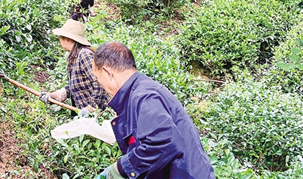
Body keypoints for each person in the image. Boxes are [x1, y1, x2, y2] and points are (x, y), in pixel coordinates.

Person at [92, 42, 215, 179]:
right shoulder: (139, 92)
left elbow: (163, 141)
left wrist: (121, 168)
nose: (99, 84)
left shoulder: (144, 96)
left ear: (107, 72)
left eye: (97, 77)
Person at [39, 19, 108, 114]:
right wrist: (54, 96)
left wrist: (91, 107)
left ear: (67, 39)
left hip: (98, 114)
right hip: (85, 114)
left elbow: (100, 82)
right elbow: (75, 86)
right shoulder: (74, 57)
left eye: (61, 37)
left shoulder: (84, 55)